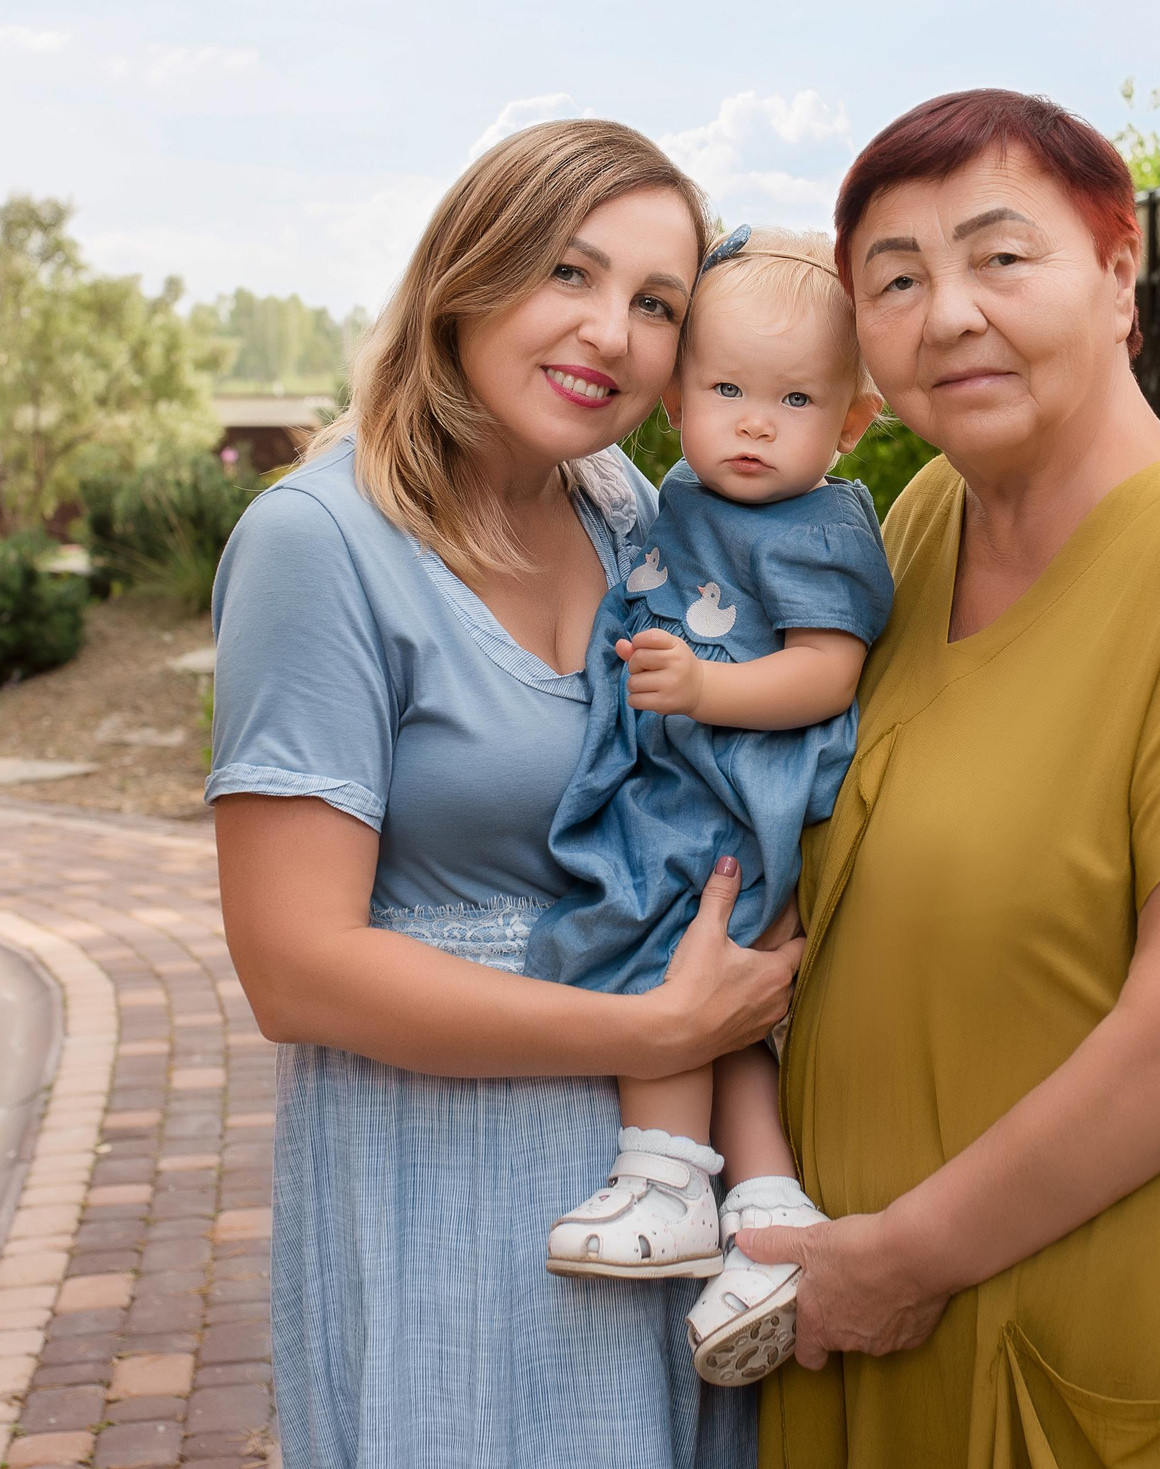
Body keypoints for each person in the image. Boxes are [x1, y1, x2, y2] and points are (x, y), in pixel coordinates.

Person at [742, 90, 1160, 1467]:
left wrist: (900, 1257)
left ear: (1117, 273)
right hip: (875, 1329)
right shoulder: (914, 531)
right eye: (897, 280)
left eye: (1000, 257)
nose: (949, 313)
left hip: (1107, 1353)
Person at [206, 119, 789, 1469]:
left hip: (660, 1173)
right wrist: (646, 1032)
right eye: (569, 276)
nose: (612, 334)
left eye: (657, 304)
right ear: (468, 277)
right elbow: (295, 967)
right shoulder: (319, 542)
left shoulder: (625, 512)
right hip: (442, 1158)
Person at [527, 225, 892, 1388]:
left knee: (662, 949)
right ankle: (769, 1218)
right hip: (685, 772)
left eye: (793, 400)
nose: (751, 421)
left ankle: (668, 1176)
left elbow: (828, 671)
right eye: (725, 388)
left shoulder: (824, 523)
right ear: (674, 397)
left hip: (744, 785)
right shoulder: (674, 489)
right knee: (709, 989)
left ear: (847, 425)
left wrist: (707, 687)